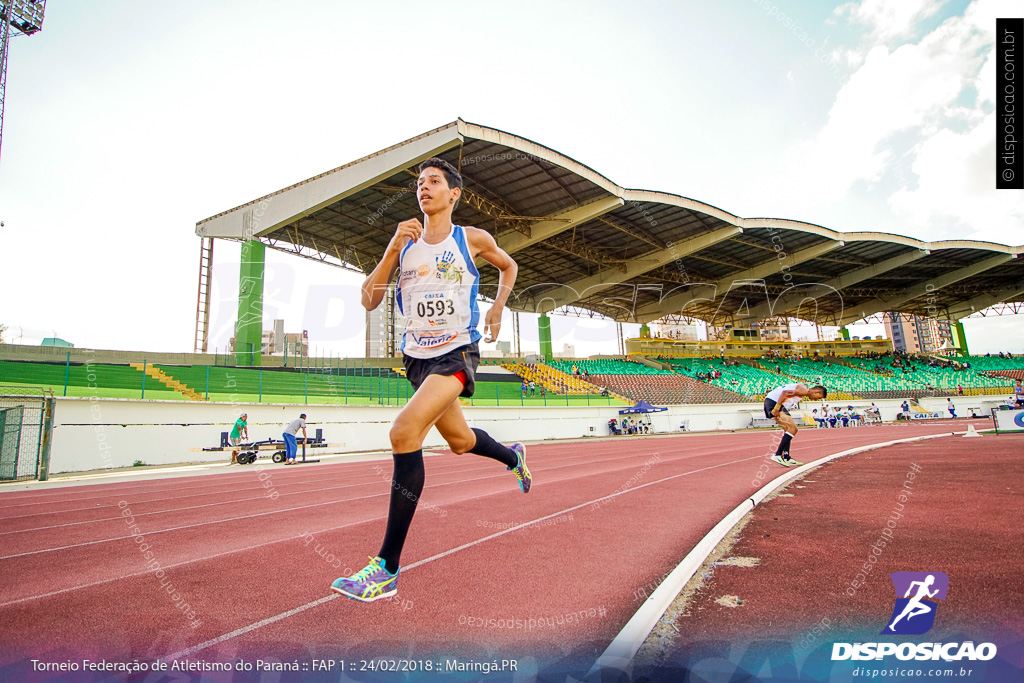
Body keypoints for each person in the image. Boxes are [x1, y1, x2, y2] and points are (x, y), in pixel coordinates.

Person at [332, 157, 529, 603]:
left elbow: (509, 266)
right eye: (420, 183)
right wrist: (388, 253)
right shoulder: (403, 243)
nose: (425, 188)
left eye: (434, 182)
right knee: (459, 441)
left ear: (453, 194)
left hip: (457, 350)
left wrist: (497, 307)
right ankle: (513, 457)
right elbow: (368, 300)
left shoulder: (472, 238)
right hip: (417, 359)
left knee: (404, 432)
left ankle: (385, 568)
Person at [764, 383, 828, 467]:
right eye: (818, 398)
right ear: (816, 392)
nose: (816, 400)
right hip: (774, 402)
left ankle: (786, 457)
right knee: (793, 429)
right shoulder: (804, 390)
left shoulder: (803, 390)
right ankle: (777, 454)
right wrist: (776, 408)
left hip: (772, 401)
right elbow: (785, 393)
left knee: (788, 430)